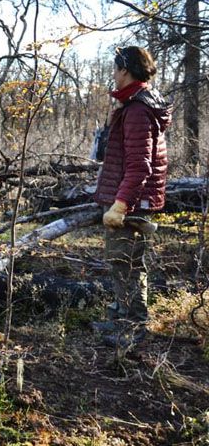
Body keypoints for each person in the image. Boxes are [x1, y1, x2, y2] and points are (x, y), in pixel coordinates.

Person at [92, 46, 172, 348]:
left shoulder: (138, 110)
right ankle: (118, 316)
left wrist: (120, 205)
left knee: (127, 263)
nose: (113, 75)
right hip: (128, 200)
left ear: (125, 70)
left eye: (116, 69)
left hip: (132, 204)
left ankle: (132, 329)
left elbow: (140, 166)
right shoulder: (134, 105)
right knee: (119, 261)